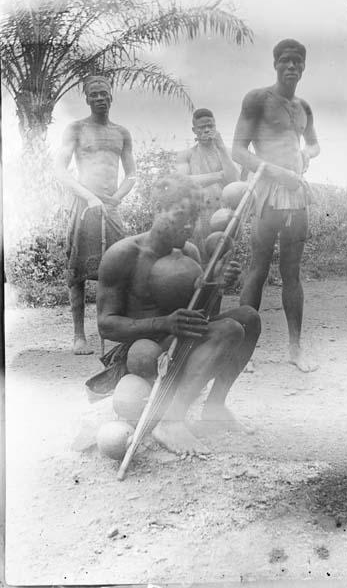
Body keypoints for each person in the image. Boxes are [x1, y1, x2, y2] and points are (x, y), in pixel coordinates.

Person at [94, 174, 261, 455]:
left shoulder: (189, 252)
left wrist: (217, 285)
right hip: (143, 352)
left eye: (194, 217)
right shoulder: (122, 255)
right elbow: (106, 326)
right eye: (181, 215)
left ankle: (215, 408)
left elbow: (203, 315)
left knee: (247, 318)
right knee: (229, 329)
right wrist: (165, 323)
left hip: (182, 341)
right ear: (158, 210)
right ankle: (170, 421)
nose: (189, 225)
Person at [232, 39, 320, 372]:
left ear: (304, 67)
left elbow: (314, 145)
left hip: (296, 194)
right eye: (285, 60)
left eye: (297, 61)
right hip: (267, 191)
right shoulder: (257, 99)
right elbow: (238, 152)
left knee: (292, 273)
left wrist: (303, 155)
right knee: (258, 267)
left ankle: (295, 349)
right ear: (275, 64)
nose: (291, 66)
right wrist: (276, 170)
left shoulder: (303, 107)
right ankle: (242, 347)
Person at [55, 75, 136, 355]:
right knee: (78, 272)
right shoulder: (76, 128)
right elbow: (60, 170)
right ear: (87, 99)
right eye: (94, 94)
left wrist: (118, 196)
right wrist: (88, 196)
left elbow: (132, 173)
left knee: (119, 267)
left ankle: (116, 329)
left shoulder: (122, 132)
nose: (100, 98)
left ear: (111, 97)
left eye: (104, 93)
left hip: (110, 208)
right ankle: (79, 336)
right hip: (84, 206)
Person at [175, 108, 240, 262]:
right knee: (200, 258)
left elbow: (234, 179)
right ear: (194, 130)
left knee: (225, 259)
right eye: (202, 127)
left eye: (210, 126)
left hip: (224, 212)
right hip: (198, 214)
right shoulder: (186, 155)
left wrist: (222, 148)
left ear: (215, 126)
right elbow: (183, 182)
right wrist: (218, 175)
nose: (207, 130)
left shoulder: (228, 152)